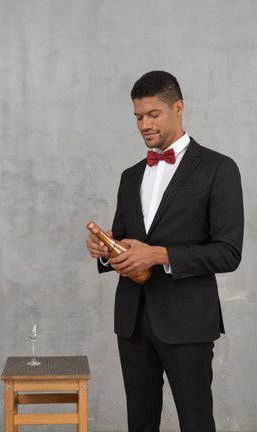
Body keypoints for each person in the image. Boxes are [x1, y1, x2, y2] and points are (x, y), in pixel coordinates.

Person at [86, 71, 244, 432]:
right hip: (132, 320)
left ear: (179, 107)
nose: (144, 124)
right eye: (138, 117)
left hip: (188, 320)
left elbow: (228, 252)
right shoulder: (130, 175)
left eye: (153, 114)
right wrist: (104, 250)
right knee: (140, 423)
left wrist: (160, 255)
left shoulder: (219, 168)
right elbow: (125, 243)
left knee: (196, 422)